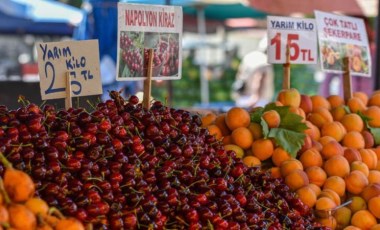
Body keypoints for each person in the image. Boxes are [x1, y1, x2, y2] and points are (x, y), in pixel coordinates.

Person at [232, 38, 274, 108]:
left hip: (243, 97)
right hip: (258, 100)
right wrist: (255, 97)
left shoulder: (249, 56)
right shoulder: (265, 60)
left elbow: (240, 74)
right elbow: (259, 78)